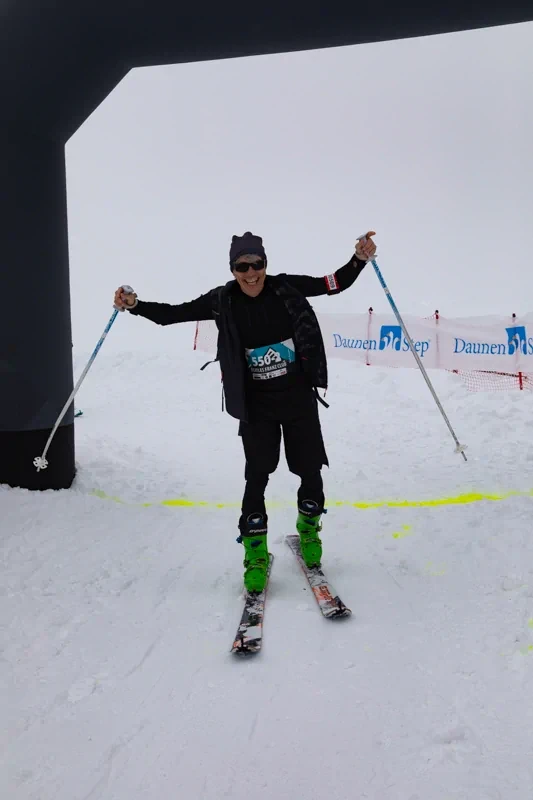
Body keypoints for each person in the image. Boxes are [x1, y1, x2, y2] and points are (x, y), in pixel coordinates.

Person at [113, 230, 376, 593]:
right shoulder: (222, 300)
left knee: (310, 469)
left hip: (298, 399)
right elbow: (172, 315)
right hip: (256, 405)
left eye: (257, 264)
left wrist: (359, 259)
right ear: (232, 268)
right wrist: (135, 305)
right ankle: (254, 552)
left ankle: (309, 530)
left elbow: (333, 283)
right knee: (257, 476)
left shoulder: (286, 288)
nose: (251, 273)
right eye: (242, 266)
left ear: (265, 264)